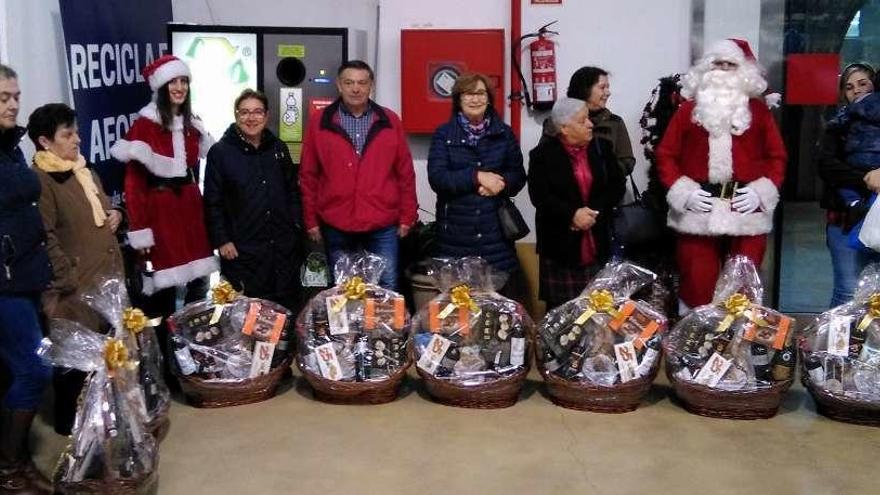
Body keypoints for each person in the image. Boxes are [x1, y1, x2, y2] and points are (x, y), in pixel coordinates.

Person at [656, 38, 787, 310]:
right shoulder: (686, 112)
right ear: (705, 68)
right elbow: (666, 155)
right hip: (698, 210)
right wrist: (684, 192)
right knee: (697, 285)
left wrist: (760, 192)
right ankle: (696, 346)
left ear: (743, 71)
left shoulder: (759, 112)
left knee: (744, 287)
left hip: (746, 208)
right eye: (718, 63)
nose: (724, 70)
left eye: (731, 64)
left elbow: (777, 157)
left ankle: (738, 347)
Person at [28, 103, 125, 436]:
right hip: (74, 289)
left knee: (103, 357)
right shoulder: (40, 180)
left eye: (76, 132)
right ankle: (72, 431)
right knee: (73, 362)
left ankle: (101, 421)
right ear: (45, 142)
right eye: (67, 135)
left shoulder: (84, 170)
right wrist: (66, 278)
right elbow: (45, 236)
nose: (77, 140)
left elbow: (103, 208)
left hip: (104, 282)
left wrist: (116, 215)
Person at [110, 54, 217, 306]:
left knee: (198, 288)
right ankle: (165, 345)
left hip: (190, 211)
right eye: (173, 82)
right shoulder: (145, 125)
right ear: (160, 86)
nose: (180, 88)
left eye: (184, 81)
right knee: (163, 291)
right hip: (161, 214)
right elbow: (134, 185)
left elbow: (198, 168)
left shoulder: (194, 124)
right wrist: (141, 232)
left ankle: (194, 342)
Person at [300, 60, 417, 290]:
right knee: (342, 290)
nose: (356, 88)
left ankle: (384, 328)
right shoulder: (320, 122)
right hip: (336, 222)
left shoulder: (390, 121)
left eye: (362, 83)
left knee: (386, 286)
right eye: (349, 82)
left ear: (371, 86)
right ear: (339, 85)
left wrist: (407, 216)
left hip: (382, 222)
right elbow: (308, 174)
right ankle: (347, 328)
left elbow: (405, 172)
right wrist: (311, 220)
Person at [0, 64, 53, 494]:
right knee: (35, 370)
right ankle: (9, 465)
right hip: (4, 285)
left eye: (15, 95)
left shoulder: (11, 147)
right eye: (3, 97)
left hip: (26, 276)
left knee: (18, 370)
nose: (13, 104)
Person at [427, 73, 527, 297]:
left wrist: (501, 183)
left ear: (489, 98)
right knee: (458, 312)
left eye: (481, 93)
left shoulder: (503, 133)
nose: (475, 99)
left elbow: (518, 175)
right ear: (458, 100)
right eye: (469, 94)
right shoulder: (444, 134)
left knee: (496, 309)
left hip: (496, 237)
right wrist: (477, 177)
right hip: (455, 236)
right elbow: (438, 177)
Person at [204, 89, 302, 311]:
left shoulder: (278, 148)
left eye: (257, 112)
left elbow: (292, 191)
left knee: (284, 309)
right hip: (242, 249)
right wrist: (222, 240)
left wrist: (295, 225)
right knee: (248, 313)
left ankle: (281, 347)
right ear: (236, 116)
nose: (251, 118)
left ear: (266, 116)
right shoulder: (220, 152)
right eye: (245, 112)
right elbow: (212, 201)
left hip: (281, 247)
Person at [528, 97, 625, 310]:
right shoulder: (542, 155)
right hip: (560, 245)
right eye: (582, 121)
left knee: (600, 311)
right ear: (564, 127)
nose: (590, 124)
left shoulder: (602, 148)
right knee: (561, 314)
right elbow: (540, 196)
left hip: (598, 239)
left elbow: (617, 185)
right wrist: (572, 215)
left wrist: (592, 213)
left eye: (588, 118)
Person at [818, 63, 880, 306]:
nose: (857, 90)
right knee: (847, 292)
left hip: (877, 216)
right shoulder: (838, 125)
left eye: (863, 83)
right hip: (845, 221)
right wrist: (869, 179)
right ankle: (836, 344)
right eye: (849, 87)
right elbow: (826, 165)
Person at [566, 66, 636, 175]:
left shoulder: (614, 122)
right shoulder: (560, 122)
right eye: (602, 87)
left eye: (608, 87)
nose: (608, 93)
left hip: (607, 189)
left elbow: (627, 161)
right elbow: (545, 161)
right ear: (585, 90)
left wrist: (604, 171)